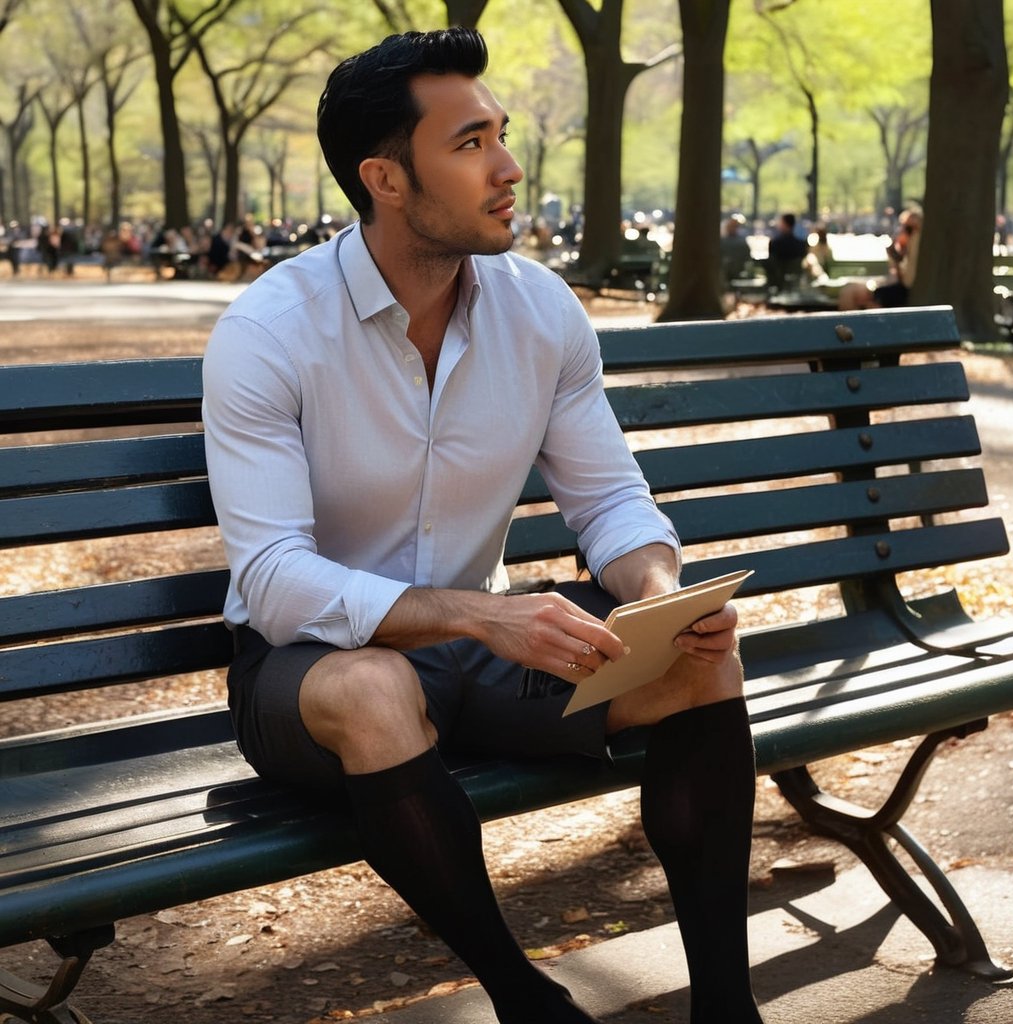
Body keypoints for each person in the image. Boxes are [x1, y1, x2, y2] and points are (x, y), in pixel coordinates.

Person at [202, 28, 763, 1024]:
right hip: (308, 670)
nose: (509, 167)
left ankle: (727, 1006)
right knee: (376, 686)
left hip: (479, 652)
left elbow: (610, 500)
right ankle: (525, 999)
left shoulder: (538, 310)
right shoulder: (269, 331)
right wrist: (479, 616)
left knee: (697, 660)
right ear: (384, 177)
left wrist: (656, 591)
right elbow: (279, 579)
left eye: (500, 134)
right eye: (469, 144)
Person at [838, 208, 922, 310]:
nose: (901, 231)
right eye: (902, 226)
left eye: (907, 228)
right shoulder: (908, 248)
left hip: (902, 293)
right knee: (850, 292)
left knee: (850, 293)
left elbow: (907, 282)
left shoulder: (916, 242)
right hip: (897, 290)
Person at [765, 211, 807, 291]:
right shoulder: (801, 244)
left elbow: (772, 262)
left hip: (779, 281)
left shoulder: (775, 243)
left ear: (784, 223)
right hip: (796, 281)